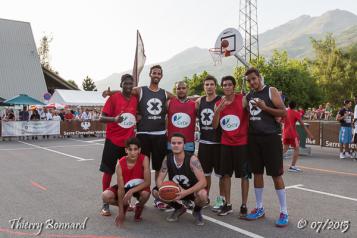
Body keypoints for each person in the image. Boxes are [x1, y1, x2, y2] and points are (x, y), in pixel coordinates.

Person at [244, 68, 289, 227]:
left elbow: (283, 112)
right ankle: (260, 208)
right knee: (257, 173)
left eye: (254, 79)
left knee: (276, 175)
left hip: (271, 138)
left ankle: (284, 211)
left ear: (259, 77)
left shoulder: (271, 90)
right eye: (249, 80)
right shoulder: (249, 96)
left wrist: (265, 108)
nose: (252, 82)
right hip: (254, 139)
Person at [99, 74, 138, 216]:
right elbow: (101, 118)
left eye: (130, 84)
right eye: (125, 83)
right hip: (112, 141)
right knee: (108, 171)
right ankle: (105, 203)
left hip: (127, 144)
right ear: (121, 84)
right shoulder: (113, 98)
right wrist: (114, 119)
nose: (128, 86)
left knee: (127, 173)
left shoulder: (135, 99)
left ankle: (127, 201)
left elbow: (137, 115)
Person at [212, 76, 250, 218]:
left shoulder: (243, 99)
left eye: (229, 84)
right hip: (226, 144)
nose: (227, 87)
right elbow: (215, 125)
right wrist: (217, 111)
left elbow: (254, 114)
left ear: (233, 86)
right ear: (222, 87)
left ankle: (244, 205)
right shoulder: (219, 103)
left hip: (242, 144)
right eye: (224, 85)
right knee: (225, 175)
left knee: (244, 176)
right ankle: (227, 204)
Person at [153, 133, 208, 226]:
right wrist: (163, 190)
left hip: (191, 190)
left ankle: (197, 211)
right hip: (176, 190)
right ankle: (179, 208)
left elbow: (203, 182)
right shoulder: (168, 158)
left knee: (203, 195)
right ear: (170, 145)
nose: (176, 145)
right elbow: (159, 179)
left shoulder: (192, 159)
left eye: (179, 143)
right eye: (173, 143)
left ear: (184, 145)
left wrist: (185, 192)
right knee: (156, 192)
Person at [101, 137, 151, 226]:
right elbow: (120, 189)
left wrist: (131, 192)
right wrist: (120, 212)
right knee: (105, 196)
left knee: (145, 194)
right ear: (126, 150)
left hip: (139, 186)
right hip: (125, 186)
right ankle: (124, 206)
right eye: (130, 149)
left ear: (139, 150)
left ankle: (139, 206)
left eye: (135, 149)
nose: (132, 152)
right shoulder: (120, 164)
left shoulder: (145, 159)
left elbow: (147, 182)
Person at [195, 75, 224, 212]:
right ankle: (205, 198)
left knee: (221, 175)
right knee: (205, 175)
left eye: (211, 84)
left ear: (216, 86)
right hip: (204, 143)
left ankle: (220, 201)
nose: (209, 87)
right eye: (206, 84)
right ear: (204, 86)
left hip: (219, 143)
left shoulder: (221, 100)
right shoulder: (199, 101)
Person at [282, 101, 314, 172]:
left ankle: (272, 161)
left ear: (288, 105)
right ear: (295, 106)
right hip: (292, 134)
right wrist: (310, 134)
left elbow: (280, 121)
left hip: (285, 133)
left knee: (285, 148)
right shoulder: (296, 113)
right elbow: (302, 125)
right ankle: (292, 166)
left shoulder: (284, 112)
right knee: (296, 149)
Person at [167, 81, 196, 153]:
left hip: (188, 143)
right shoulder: (169, 103)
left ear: (187, 89)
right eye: (178, 88)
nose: (181, 90)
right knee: (171, 164)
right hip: (172, 143)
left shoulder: (195, 104)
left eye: (183, 88)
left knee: (188, 164)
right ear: (175, 90)